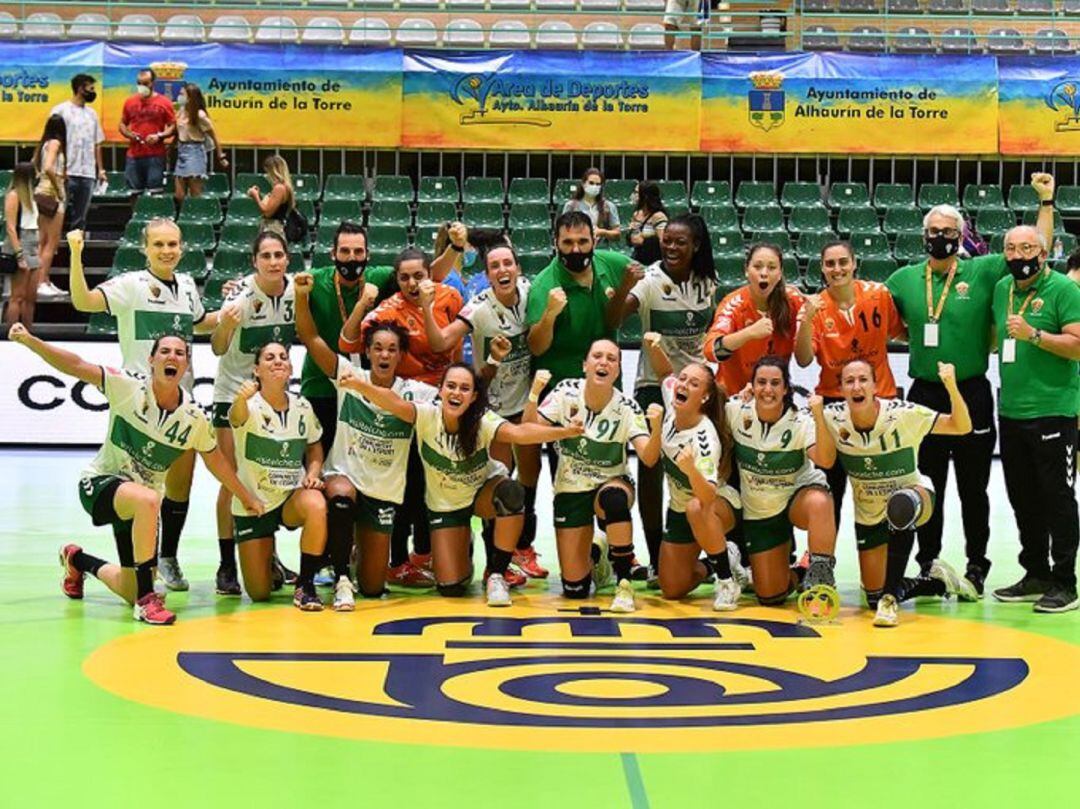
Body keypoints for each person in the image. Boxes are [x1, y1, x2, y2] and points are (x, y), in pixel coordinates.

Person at [8, 327, 261, 625]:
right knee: (150, 500)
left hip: (139, 508)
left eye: (180, 353)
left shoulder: (194, 418)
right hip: (100, 484)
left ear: (186, 366)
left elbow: (216, 461)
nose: (172, 357)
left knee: (129, 585)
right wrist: (30, 341)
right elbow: (75, 365)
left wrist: (247, 497)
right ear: (151, 359)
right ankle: (146, 602)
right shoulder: (125, 386)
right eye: (165, 351)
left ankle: (77, 560)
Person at [886, 173, 1056, 596]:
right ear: (923, 235)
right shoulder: (904, 279)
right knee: (927, 485)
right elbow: (889, 325)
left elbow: (1037, 246)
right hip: (924, 396)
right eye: (933, 231)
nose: (940, 237)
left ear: (960, 236)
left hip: (972, 392)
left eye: (948, 231)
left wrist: (1046, 203)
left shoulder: (981, 271)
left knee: (973, 488)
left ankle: (977, 566)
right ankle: (929, 565)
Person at [339, 363, 582, 606]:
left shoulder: (482, 420)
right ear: (440, 390)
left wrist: (565, 432)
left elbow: (519, 433)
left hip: (482, 494)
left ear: (474, 396)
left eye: (465, 388)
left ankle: (497, 574)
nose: (456, 393)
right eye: (451, 386)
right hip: (446, 505)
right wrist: (359, 384)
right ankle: (465, 541)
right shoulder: (425, 415)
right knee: (452, 588)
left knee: (511, 493)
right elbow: (392, 401)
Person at [68, 219, 219, 591]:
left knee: (180, 484)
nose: (167, 251)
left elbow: (199, 324)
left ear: (182, 247)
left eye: (173, 244)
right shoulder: (129, 286)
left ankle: (167, 557)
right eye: (159, 245)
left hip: (180, 402)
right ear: (145, 248)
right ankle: (121, 565)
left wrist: (236, 308)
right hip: (137, 404)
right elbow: (82, 301)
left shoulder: (186, 286)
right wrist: (75, 255)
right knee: (133, 483)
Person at [298, 274, 437, 609]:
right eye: (377, 348)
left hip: (383, 492)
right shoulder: (349, 375)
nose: (383, 355)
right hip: (345, 477)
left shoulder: (415, 392)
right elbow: (310, 336)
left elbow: (407, 413)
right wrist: (300, 297)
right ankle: (343, 575)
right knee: (342, 498)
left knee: (374, 587)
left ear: (401, 354)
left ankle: (354, 553)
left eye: (391, 349)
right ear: (368, 352)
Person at [420, 242, 547, 579]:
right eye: (495, 266)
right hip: (493, 407)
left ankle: (524, 547)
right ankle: (496, 559)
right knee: (501, 481)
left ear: (518, 268)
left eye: (508, 263)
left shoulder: (530, 291)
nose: (503, 270)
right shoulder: (478, 308)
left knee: (530, 477)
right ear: (487, 275)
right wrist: (427, 308)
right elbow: (440, 342)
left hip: (525, 401)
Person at [819, 359, 976, 628]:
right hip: (869, 513)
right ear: (842, 389)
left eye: (863, 379)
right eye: (849, 381)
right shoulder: (831, 417)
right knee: (872, 594)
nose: (857, 386)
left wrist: (950, 385)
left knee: (900, 506)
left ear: (875, 385)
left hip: (914, 497)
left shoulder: (903, 414)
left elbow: (961, 426)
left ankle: (890, 600)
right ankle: (937, 582)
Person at [344, 248, 464, 587]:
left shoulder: (451, 296)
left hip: (442, 405)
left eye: (419, 275)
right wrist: (361, 307)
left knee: (436, 482)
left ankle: (425, 555)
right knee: (404, 481)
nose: (413, 283)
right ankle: (396, 559)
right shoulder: (388, 310)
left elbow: (451, 347)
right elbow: (349, 341)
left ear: (430, 274)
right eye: (405, 277)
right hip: (403, 404)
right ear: (396, 281)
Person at [609, 213, 717, 581]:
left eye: (679, 241)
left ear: (696, 246)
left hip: (698, 386)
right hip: (653, 385)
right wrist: (624, 286)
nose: (671, 246)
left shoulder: (708, 282)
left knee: (704, 467)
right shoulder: (650, 280)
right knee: (652, 468)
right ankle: (656, 554)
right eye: (666, 240)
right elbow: (612, 320)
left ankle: (721, 548)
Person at [532, 339, 664, 613]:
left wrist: (657, 428)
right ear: (585, 365)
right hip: (571, 488)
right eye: (597, 356)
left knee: (614, 500)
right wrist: (535, 395)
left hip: (611, 482)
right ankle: (599, 555)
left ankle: (624, 583)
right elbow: (528, 431)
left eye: (611, 359)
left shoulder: (627, 407)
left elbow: (649, 458)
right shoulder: (566, 392)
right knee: (575, 589)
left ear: (617, 371)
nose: (604, 362)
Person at [990, 225, 1080, 613]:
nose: (1017, 254)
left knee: (1057, 498)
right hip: (1011, 411)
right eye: (1010, 248)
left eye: (1027, 247)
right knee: (1022, 498)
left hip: (1054, 411)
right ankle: (1036, 573)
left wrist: (1034, 336)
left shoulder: (1064, 290)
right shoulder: (1001, 289)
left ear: (1043, 255)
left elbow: (1078, 346)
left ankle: (1065, 582)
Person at [794, 240, 905, 527]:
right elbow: (804, 359)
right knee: (830, 488)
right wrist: (806, 319)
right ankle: (822, 560)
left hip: (879, 400)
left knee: (880, 487)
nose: (837, 268)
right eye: (830, 263)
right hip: (834, 404)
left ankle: (883, 564)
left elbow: (902, 333)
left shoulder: (879, 295)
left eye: (843, 262)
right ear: (822, 268)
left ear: (854, 263)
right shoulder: (816, 307)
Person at [210, 231, 296, 596]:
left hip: (272, 397)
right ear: (255, 261)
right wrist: (227, 324)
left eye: (279, 254)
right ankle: (226, 564)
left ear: (288, 258)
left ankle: (268, 555)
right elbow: (216, 347)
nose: (274, 261)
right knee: (232, 480)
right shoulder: (239, 296)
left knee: (268, 477)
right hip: (233, 395)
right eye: (266, 256)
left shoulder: (296, 291)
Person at [639, 333, 744, 611]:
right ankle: (718, 560)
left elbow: (708, 496)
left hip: (717, 505)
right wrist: (655, 346)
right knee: (671, 589)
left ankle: (726, 581)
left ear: (705, 396)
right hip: (679, 507)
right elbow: (664, 373)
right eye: (683, 379)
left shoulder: (704, 439)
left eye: (693, 383)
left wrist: (689, 469)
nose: (682, 384)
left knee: (697, 507)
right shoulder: (674, 402)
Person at [725, 356, 837, 606]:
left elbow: (826, 461)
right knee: (770, 595)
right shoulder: (735, 411)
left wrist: (819, 417)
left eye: (775, 383)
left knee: (819, 502)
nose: (768, 389)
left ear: (786, 388)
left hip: (797, 497)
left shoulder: (801, 420)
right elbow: (710, 405)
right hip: (760, 510)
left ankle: (821, 576)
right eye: (761, 382)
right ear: (751, 386)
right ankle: (802, 570)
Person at [229, 343, 327, 610]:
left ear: (291, 368)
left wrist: (313, 473)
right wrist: (240, 399)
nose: (278, 362)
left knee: (316, 503)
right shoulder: (247, 405)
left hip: (289, 497)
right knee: (259, 593)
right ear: (256, 369)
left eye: (283, 357)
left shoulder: (302, 406)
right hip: (254, 503)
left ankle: (305, 585)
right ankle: (267, 560)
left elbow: (314, 445)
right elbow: (235, 417)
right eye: (269, 358)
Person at [526, 211, 636, 391]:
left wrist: (626, 293)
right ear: (556, 244)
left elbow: (654, 275)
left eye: (583, 241)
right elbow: (536, 348)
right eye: (568, 242)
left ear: (594, 240)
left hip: (607, 385)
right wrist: (550, 314)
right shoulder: (543, 285)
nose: (576, 250)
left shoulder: (611, 263)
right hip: (560, 390)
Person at [704, 242, 804, 396]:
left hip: (774, 395)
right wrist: (748, 333)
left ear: (780, 273)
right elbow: (710, 350)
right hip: (735, 396)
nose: (764, 273)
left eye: (771, 268)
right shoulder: (733, 304)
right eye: (757, 266)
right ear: (746, 270)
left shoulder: (794, 300)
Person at [50, 73, 106, 234]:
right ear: (81, 88)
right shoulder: (60, 111)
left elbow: (97, 143)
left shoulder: (92, 114)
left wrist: (100, 169)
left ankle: (76, 254)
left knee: (80, 218)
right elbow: (53, 141)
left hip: (87, 172)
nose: (93, 91)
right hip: (65, 171)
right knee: (58, 212)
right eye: (91, 88)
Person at [118, 68, 175, 195]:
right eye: (139, 83)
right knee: (134, 192)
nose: (142, 86)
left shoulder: (165, 102)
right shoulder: (129, 102)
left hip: (155, 155)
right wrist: (129, 134)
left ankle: (154, 215)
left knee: (155, 192)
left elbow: (172, 127)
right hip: (133, 155)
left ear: (153, 83)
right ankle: (136, 215)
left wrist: (159, 136)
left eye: (145, 83)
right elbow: (122, 124)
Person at [173, 83, 226, 204]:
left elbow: (213, 135)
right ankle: (183, 216)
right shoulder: (181, 112)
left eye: (182, 94)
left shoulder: (199, 115)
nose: (179, 97)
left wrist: (220, 155)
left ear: (190, 97)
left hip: (195, 151)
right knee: (179, 195)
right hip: (182, 151)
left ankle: (194, 218)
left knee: (195, 193)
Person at [32, 114, 66, 301]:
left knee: (43, 240)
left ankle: (43, 279)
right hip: (52, 194)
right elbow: (48, 168)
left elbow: (36, 167)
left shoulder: (43, 144)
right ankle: (41, 282)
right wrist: (59, 189)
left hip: (41, 192)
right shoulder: (55, 143)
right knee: (51, 243)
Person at [2, 163, 40, 326]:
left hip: (33, 241)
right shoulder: (14, 195)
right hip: (20, 241)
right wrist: (19, 255)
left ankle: (28, 335)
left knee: (30, 297)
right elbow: (10, 227)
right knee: (17, 296)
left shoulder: (31, 196)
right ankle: (12, 336)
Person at [561, 168, 621, 248]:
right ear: (583, 184)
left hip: (601, 250)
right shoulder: (571, 206)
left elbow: (617, 234)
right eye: (591, 183)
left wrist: (602, 232)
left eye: (598, 184)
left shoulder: (609, 206)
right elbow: (563, 231)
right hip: (577, 250)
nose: (594, 186)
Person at [627, 180, 668, 266]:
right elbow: (631, 240)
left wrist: (644, 240)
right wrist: (630, 235)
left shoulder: (659, 216)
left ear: (645, 196)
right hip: (638, 258)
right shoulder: (637, 214)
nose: (633, 195)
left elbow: (663, 242)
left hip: (654, 262)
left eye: (636, 193)